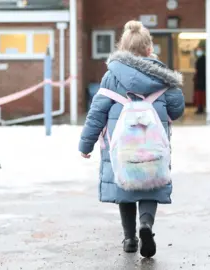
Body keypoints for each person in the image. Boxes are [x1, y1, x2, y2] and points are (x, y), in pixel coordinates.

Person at [78, 20, 185, 258]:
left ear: (122, 49)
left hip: (121, 147)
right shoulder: (164, 77)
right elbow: (177, 110)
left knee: (124, 186)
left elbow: (96, 114)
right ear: (149, 49)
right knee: (152, 182)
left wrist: (86, 145)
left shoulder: (111, 76)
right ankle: (146, 224)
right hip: (153, 145)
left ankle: (129, 238)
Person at [193, 40, 206, 114]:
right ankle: (201, 107)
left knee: (200, 94)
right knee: (201, 94)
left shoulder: (201, 60)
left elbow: (197, 70)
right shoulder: (203, 59)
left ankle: (200, 108)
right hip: (202, 79)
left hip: (200, 80)